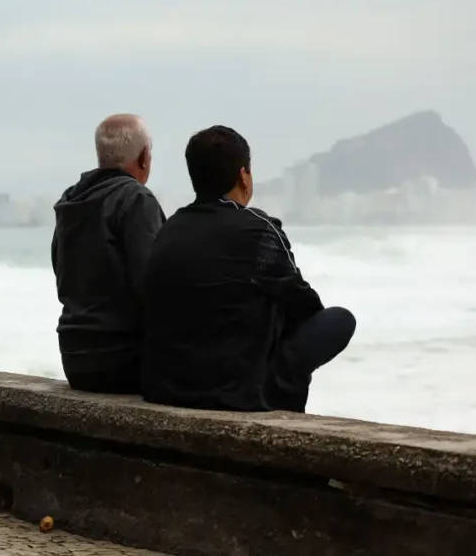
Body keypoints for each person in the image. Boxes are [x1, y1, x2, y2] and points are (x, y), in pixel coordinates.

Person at [140, 125, 356, 413]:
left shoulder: (169, 229)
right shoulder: (259, 229)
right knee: (339, 320)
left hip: (166, 388)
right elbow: (303, 304)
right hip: (237, 392)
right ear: (244, 176)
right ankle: (279, 396)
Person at [52, 114, 166, 394]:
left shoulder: (71, 202)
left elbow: (60, 272)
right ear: (144, 157)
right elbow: (153, 286)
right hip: (124, 361)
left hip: (75, 358)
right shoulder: (136, 199)